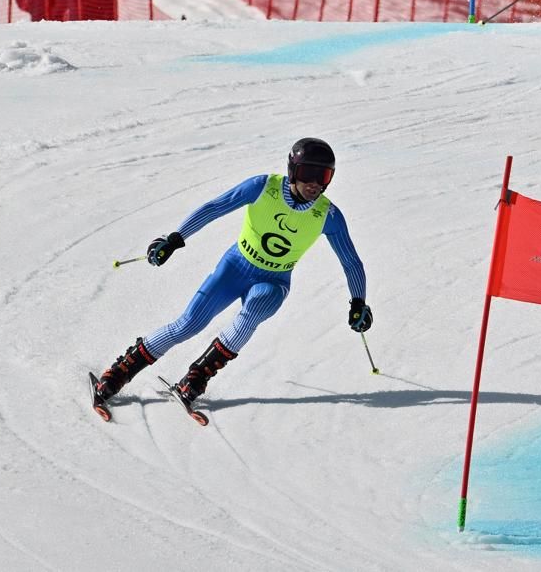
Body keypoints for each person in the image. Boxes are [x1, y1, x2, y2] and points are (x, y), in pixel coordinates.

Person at [92, 138, 373, 410]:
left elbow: (351, 262)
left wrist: (359, 302)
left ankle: (197, 376)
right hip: (235, 268)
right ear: (292, 171)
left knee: (260, 303)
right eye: (308, 173)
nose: (315, 183)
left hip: (274, 281)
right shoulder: (263, 187)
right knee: (188, 324)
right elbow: (215, 207)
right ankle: (120, 371)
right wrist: (175, 238)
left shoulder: (328, 216)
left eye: (323, 176)